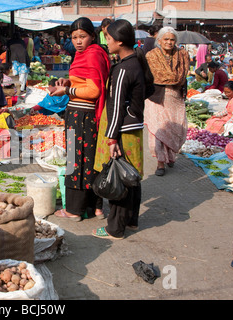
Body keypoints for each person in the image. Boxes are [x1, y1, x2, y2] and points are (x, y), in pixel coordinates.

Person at [92, 19, 154, 240]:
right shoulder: (136, 62)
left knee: (118, 176)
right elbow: (149, 88)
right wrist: (135, 108)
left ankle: (115, 229)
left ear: (119, 41)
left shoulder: (122, 69)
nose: (106, 42)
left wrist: (111, 138)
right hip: (133, 127)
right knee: (131, 175)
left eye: (108, 38)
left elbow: (116, 106)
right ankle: (131, 221)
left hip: (121, 130)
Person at [50, 17, 110, 222]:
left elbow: (93, 90)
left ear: (92, 36)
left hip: (82, 116)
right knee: (90, 160)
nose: (77, 41)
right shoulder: (85, 54)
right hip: (83, 116)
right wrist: (67, 81)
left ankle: (74, 210)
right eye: (74, 37)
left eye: (82, 36)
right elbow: (84, 80)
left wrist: (66, 89)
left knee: (76, 160)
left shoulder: (92, 55)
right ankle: (96, 207)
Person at [144, 26, 190, 176]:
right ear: (159, 40)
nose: (169, 42)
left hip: (175, 97)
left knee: (176, 128)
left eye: (172, 40)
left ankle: (171, 157)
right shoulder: (151, 56)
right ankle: (160, 163)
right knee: (159, 131)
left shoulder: (182, 55)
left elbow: (182, 77)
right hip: (156, 98)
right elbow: (148, 76)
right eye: (166, 39)